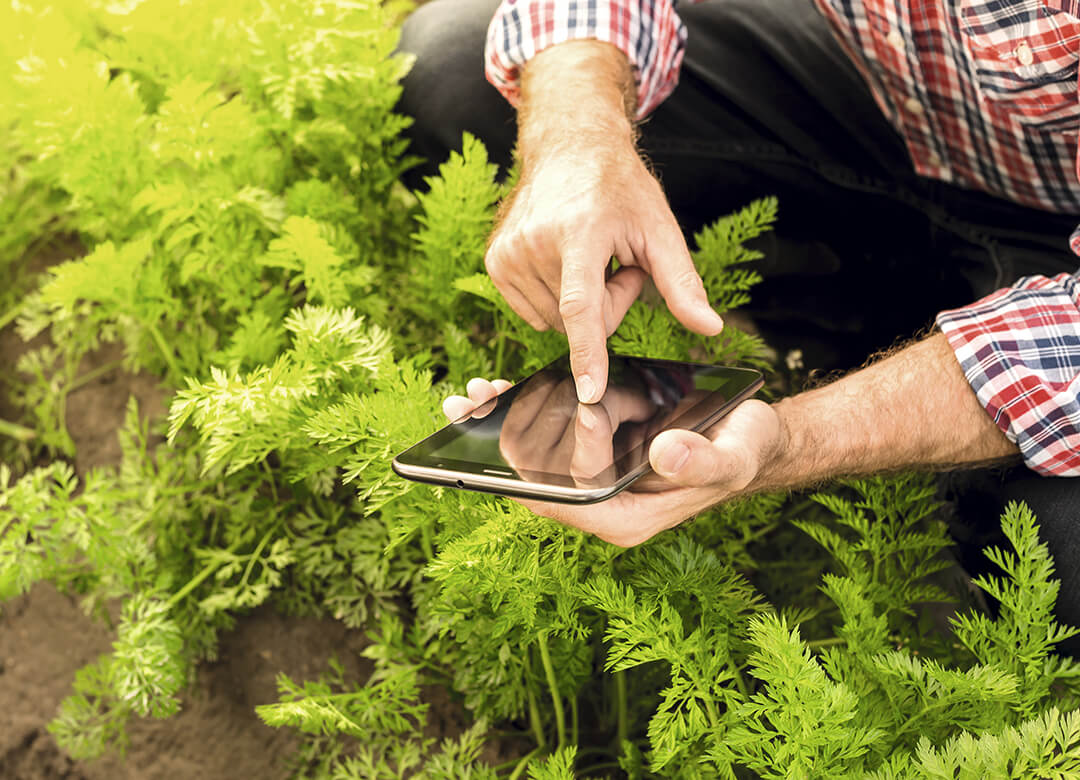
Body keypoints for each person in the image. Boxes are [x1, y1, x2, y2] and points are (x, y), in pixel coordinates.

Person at [395, 0, 1080, 625]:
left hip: (1060, 242)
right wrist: (579, 139)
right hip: (895, 103)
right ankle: (848, 310)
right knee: (454, 64)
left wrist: (790, 439)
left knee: (1060, 551)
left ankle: (894, 352)